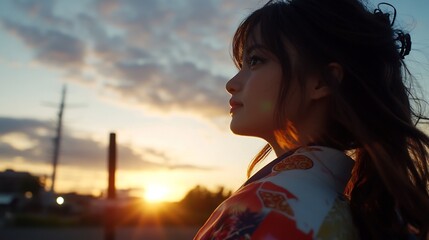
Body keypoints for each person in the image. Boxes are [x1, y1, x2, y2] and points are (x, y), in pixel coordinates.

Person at [193, 0, 429, 239]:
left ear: (322, 81)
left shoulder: (263, 211)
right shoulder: (356, 213)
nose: (231, 84)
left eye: (255, 60)